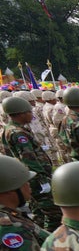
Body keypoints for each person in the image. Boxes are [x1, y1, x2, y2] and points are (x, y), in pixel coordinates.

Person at [1, 95, 57, 228]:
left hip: (28, 177)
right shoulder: (18, 133)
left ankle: (36, 232)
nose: (32, 114)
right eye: (29, 112)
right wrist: (42, 179)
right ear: (21, 114)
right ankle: (49, 235)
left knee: (38, 212)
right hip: (36, 179)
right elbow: (28, 158)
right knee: (53, 213)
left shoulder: (10, 129)